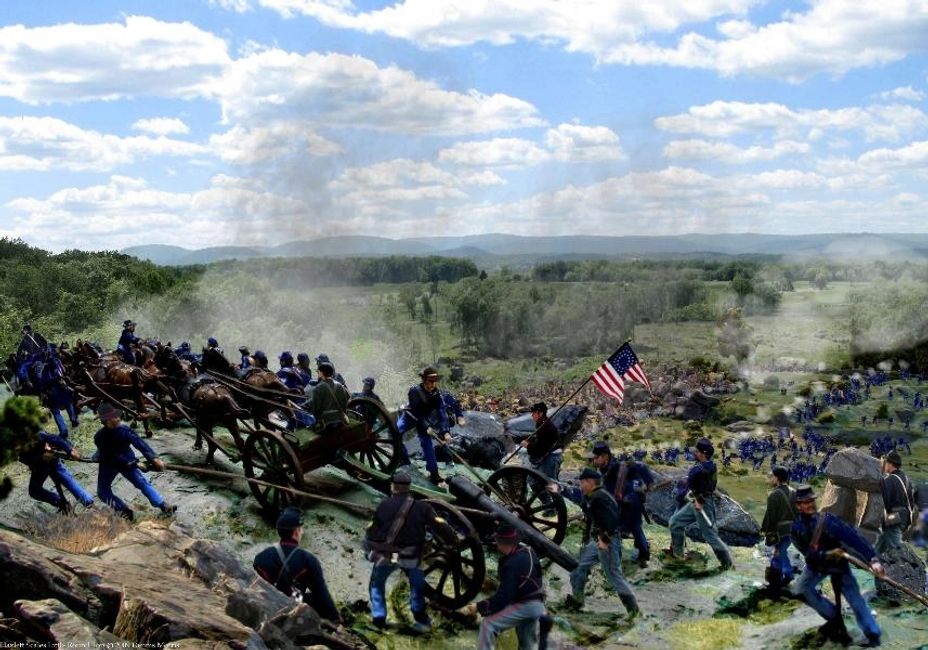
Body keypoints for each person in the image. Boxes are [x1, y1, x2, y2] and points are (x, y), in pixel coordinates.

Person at [791, 485, 883, 647]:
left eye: (811, 501)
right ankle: (833, 616)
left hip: (838, 565)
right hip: (816, 566)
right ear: (798, 506)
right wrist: (822, 556)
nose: (810, 504)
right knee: (800, 589)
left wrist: (873, 559)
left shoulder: (828, 521)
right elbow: (807, 554)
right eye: (805, 502)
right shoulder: (796, 528)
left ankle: (873, 634)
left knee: (855, 599)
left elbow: (853, 538)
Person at [365, 472, 455, 632]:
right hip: (411, 556)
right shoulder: (423, 507)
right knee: (417, 587)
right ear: (409, 488)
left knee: (377, 584)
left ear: (393, 487)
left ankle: (379, 618)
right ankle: (422, 622)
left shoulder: (384, 505)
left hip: (388, 555)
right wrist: (452, 541)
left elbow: (372, 530)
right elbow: (440, 525)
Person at [562, 468, 638, 616]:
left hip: (608, 540)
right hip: (597, 539)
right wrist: (560, 490)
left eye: (582, 482)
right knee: (578, 568)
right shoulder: (592, 495)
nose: (580, 485)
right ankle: (577, 601)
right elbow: (580, 501)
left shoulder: (600, 498)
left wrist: (604, 540)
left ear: (590, 482)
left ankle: (633, 609)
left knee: (613, 575)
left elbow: (613, 520)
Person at [459, 522, 546, 650]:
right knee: (527, 643)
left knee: (488, 625)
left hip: (525, 605)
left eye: (498, 542)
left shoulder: (511, 565)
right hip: (538, 604)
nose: (497, 545)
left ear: (504, 543)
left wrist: (478, 607)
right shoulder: (528, 551)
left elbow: (504, 597)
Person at [254, 506, 341, 622]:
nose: (302, 532)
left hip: (265, 606)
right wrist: (336, 618)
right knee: (316, 600)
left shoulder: (260, 557)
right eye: (301, 529)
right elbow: (321, 593)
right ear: (296, 532)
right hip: (292, 610)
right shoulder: (308, 560)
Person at [93, 401, 174, 521]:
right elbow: (111, 455)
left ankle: (163, 505)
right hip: (109, 464)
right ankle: (123, 510)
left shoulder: (124, 430)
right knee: (103, 491)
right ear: (106, 421)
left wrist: (153, 458)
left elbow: (140, 443)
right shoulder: (99, 437)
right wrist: (134, 463)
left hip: (125, 462)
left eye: (117, 415)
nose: (117, 418)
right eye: (113, 417)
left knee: (141, 482)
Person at [666, 437, 733, 569]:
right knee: (675, 523)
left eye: (696, 451)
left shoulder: (707, 469)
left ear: (702, 453)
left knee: (710, 535)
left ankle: (727, 563)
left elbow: (709, 487)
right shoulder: (704, 466)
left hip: (702, 504)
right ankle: (678, 555)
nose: (694, 453)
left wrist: (701, 501)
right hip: (694, 501)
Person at [19, 423, 94, 512]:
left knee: (66, 480)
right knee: (35, 490)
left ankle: (88, 503)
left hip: (49, 460)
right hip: (38, 465)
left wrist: (70, 450)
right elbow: (23, 457)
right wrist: (40, 457)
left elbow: (52, 438)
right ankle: (61, 503)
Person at [405, 367, 451, 485]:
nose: (433, 384)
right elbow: (416, 412)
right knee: (395, 432)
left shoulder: (436, 394)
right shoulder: (414, 391)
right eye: (431, 381)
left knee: (427, 445)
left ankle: (434, 473)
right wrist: (426, 426)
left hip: (424, 420)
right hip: (411, 417)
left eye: (435, 381)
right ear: (424, 380)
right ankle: (403, 460)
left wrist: (445, 431)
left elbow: (442, 411)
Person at [761, 466, 796, 591]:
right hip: (792, 530)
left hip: (779, 531)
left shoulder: (774, 495)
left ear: (777, 478)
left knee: (776, 554)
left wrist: (767, 532)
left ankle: (776, 582)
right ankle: (787, 575)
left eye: (772, 476)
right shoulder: (794, 492)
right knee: (782, 552)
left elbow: (771, 517)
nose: (770, 479)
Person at [877, 450, 915, 553]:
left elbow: (885, 503)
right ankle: (873, 559)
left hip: (894, 518)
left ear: (890, 464)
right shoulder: (906, 479)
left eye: (885, 462)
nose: (883, 465)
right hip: (905, 518)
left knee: (897, 551)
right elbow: (911, 502)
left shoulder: (889, 480)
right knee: (881, 542)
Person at [520, 402, 561, 481]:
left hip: (551, 458)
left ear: (541, 413)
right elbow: (540, 441)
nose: (532, 415)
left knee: (550, 483)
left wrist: (527, 445)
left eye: (534, 413)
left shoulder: (545, 427)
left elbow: (541, 448)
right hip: (550, 455)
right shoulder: (542, 424)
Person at [310, 361, 351, 432]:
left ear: (321, 373)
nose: (318, 373)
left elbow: (315, 409)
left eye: (318, 371)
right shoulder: (340, 386)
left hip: (326, 423)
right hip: (340, 421)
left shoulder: (318, 388)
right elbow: (346, 403)